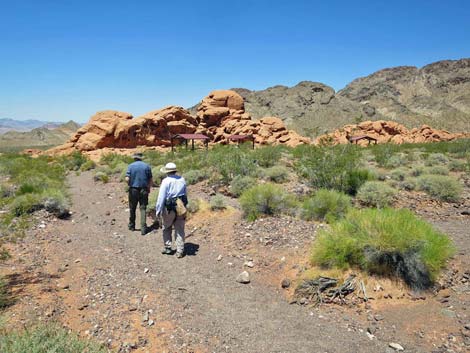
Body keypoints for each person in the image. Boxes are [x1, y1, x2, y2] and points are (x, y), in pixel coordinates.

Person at [156, 162, 188, 258]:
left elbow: (161, 197)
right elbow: (185, 194)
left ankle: (168, 247)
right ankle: (180, 250)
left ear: (167, 172)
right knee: (179, 228)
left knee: (166, 227)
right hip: (180, 205)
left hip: (169, 207)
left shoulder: (166, 181)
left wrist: (158, 210)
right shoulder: (182, 179)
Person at [125, 152, 153, 235]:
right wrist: (148, 188)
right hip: (144, 189)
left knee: (132, 208)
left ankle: (132, 225)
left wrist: (130, 185)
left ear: (134, 158)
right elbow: (150, 180)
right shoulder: (147, 166)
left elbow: (127, 178)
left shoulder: (130, 166)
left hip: (133, 189)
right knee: (143, 208)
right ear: (141, 158)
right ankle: (143, 228)